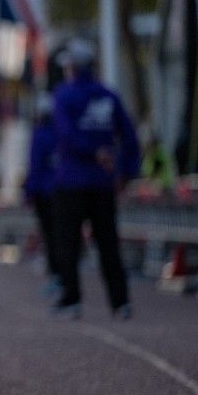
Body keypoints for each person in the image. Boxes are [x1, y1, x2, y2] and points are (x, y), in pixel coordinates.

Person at [49, 39, 139, 320]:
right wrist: (125, 171)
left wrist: (93, 152)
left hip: (73, 181)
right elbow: (130, 137)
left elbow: (65, 135)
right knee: (108, 244)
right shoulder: (108, 96)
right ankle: (120, 302)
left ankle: (71, 300)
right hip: (102, 183)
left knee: (69, 245)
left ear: (73, 68)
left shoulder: (64, 96)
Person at [23, 95, 60, 296]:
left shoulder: (40, 134)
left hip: (44, 192)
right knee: (62, 235)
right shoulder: (61, 131)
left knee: (51, 235)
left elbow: (35, 164)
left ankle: (58, 275)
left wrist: (29, 191)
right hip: (62, 190)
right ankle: (63, 275)